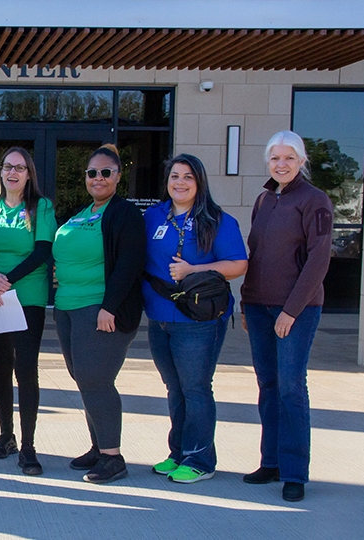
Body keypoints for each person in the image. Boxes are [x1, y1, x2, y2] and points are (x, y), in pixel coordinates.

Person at [143, 154, 248, 484]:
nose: (180, 182)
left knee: (196, 389)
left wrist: (194, 270)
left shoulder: (216, 220)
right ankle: (179, 452)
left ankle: (201, 460)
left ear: (199, 182)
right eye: (175, 176)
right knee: (175, 389)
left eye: (188, 177)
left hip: (199, 320)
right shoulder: (153, 216)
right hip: (160, 317)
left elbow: (238, 264)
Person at [241, 131, 333, 503]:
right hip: (259, 309)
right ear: (268, 161)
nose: (281, 164)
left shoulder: (315, 200)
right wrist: (247, 302)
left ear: (301, 161)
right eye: (275, 158)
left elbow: (319, 259)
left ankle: (294, 472)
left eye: (289, 158)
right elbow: (255, 253)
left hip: (297, 309)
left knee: (292, 387)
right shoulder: (264, 199)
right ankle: (271, 461)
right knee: (268, 386)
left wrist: (291, 311)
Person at [53, 144, 145, 484]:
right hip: (68, 308)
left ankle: (113, 457)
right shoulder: (84, 212)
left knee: (97, 380)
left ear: (118, 176)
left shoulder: (125, 214)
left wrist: (109, 307)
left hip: (99, 309)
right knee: (84, 380)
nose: (98, 178)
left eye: (106, 172)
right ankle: (98, 446)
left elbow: (129, 264)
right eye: (93, 172)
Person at [0, 147, 56, 475]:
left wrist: (8, 280)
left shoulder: (40, 207)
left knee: (26, 368)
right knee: (0, 367)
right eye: (7, 167)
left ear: (29, 174)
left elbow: (43, 251)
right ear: (0, 173)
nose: (13, 173)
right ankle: (6, 436)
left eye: (20, 167)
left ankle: (29, 446)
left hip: (26, 298)